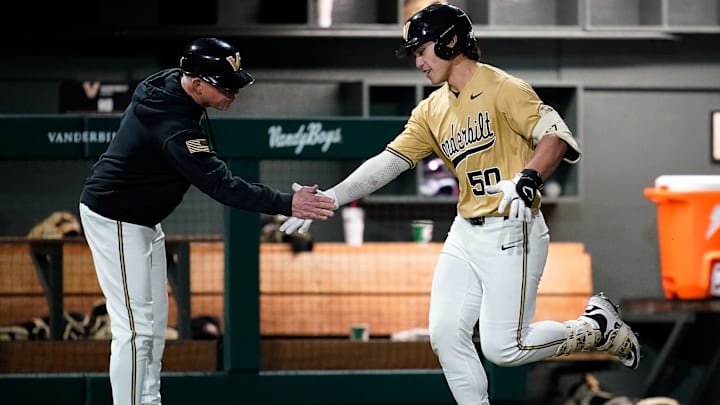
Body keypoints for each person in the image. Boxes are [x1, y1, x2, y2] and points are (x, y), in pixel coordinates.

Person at [279, 4, 639, 404]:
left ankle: (597, 329)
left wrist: (528, 177)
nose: (417, 61)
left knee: (503, 349)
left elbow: (555, 136)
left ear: (451, 41)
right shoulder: (432, 108)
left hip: (512, 227)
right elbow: (389, 162)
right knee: (446, 335)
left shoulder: (504, 87)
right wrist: (333, 196)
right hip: (466, 232)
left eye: (422, 49)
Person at [78, 37, 335, 405]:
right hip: (116, 218)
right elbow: (223, 187)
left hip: (143, 221)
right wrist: (288, 203)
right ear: (196, 84)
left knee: (153, 330)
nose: (234, 91)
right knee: (135, 331)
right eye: (224, 84)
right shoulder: (173, 127)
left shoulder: (169, 84)